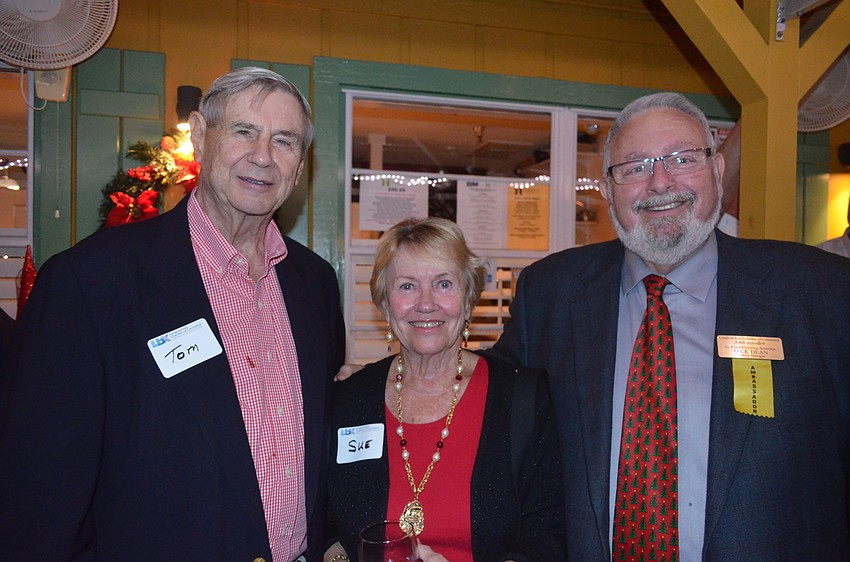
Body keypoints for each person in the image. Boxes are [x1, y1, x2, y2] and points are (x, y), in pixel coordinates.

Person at [0, 67, 345, 561]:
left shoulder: (314, 284)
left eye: (285, 141)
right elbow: (38, 501)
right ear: (202, 138)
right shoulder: (91, 283)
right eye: (244, 131)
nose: (263, 156)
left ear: (300, 164)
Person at [490, 92, 850, 561]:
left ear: (719, 171)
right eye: (635, 167)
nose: (660, 182)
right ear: (606, 188)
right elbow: (489, 420)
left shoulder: (822, 293)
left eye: (682, 159)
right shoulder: (552, 294)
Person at [325, 218, 564, 562]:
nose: (426, 304)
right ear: (384, 304)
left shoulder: (523, 399)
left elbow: (548, 536)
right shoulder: (351, 398)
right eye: (407, 286)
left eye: (443, 284)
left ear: (468, 299)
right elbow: (325, 520)